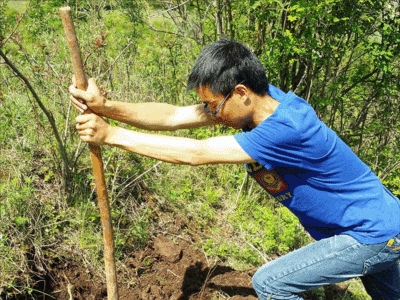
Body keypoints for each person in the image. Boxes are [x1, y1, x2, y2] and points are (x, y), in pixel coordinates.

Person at [69, 38, 400, 299]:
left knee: (272, 283)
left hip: (372, 234)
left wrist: (110, 135)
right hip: (377, 226)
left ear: (241, 93)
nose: (210, 115)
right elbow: (172, 116)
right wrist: (106, 108)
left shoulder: (286, 128)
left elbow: (197, 153)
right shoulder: (263, 101)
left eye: (214, 106)